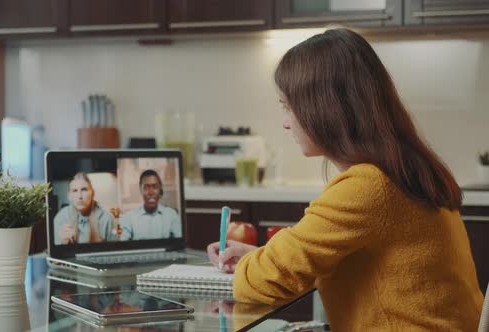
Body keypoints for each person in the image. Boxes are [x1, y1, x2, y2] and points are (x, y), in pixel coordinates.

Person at [207, 29, 483, 331]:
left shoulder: (368, 187)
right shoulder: (408, 170)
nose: (286, 122)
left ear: (324, 108)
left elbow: (271, 279)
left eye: (288, 107)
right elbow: (307, 259)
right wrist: (260, 256)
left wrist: (253, 265)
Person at [119, 169, 182, 240]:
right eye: (146, 187)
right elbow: (123, 243)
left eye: (155, 187)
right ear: (141, 190)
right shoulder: (129, 217)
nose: (151, 192)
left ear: (160, 190)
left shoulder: (171, 215)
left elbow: (179, 243)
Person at [54, 173, 114, 244]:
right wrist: (64, 242)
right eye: (75, 191)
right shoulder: (61, 218)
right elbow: (57, 251)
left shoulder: (106, 218)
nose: (80, 196)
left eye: (84, 190)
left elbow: (113, 251)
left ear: (92, 193)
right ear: (69, 196)